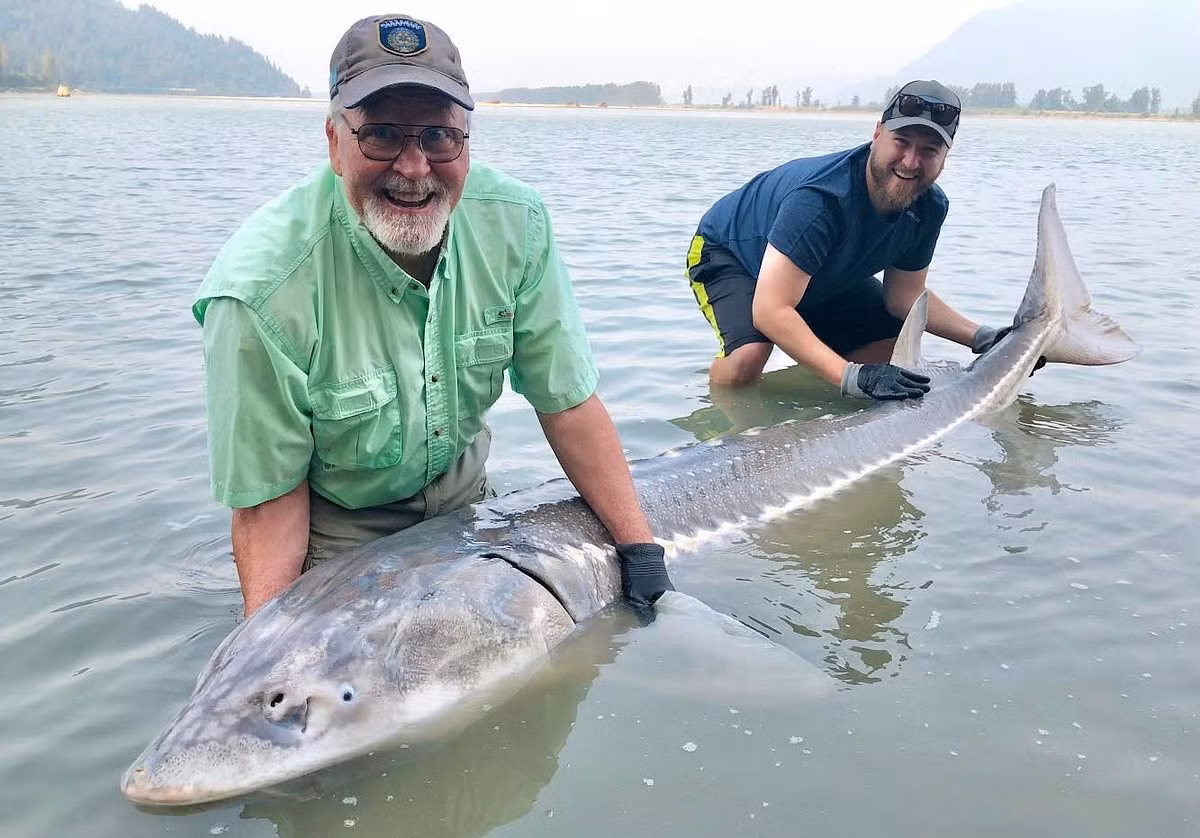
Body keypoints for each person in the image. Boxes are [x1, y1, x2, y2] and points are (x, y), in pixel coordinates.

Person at [193, 14, 671, 618]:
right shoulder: (259, 293)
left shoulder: (515, 223)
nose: (415, 168)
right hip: (340, 527)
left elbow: (567, 403)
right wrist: (267, 643)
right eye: (382, 135)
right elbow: (269, 503)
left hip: (469, 504)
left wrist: (638, 547)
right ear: (335, 143)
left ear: (466, 142)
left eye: (440, 137)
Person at [686, 80, 1017, 401]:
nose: (911, 161)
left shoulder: (930, 207)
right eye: (901, 142)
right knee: (748, 357)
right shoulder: (820, 200)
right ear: (877, 135)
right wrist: (852, 377)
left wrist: (983, 337)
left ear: (945, 157)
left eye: (929, 150)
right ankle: (723, 414)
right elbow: (770, 311)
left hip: (820, 274)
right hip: (729, 252)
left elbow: (904, 297)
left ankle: (815, 397)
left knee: (887, 347)